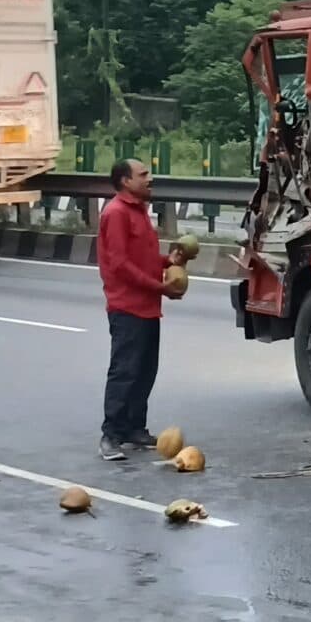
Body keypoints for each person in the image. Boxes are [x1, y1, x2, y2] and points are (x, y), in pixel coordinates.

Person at [97, 159, 182, 461]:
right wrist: (160, 288)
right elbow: (120, 264)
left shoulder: (139, 212)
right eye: (143, 174)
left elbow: (142, 258)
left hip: (148, 306)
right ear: (124, 181)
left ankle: (134, 427)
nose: (150, 178)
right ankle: (110, 434)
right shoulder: (116, 213)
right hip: (126, 305)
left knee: (145, 370)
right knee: (125, 371)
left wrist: (166, 262)